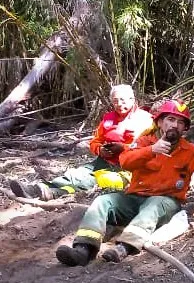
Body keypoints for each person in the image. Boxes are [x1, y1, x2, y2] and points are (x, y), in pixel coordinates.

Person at [55, 100, 194, 266]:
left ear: (184, 128)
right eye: (170, 119)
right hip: (135, 198)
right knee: (103, 202)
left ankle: (124, 247)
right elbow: (125, 160)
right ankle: (83, 249)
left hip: (166, 202)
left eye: (180, 122)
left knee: (155, 204)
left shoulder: (190, 151)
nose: (174, 125)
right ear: (159, 122)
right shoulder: (144, 142)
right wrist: (151, 150)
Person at [9, 84, 153, 200]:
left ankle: (50, 192)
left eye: (123, 100)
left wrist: (123, 147)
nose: (119, 104)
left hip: (127, 167)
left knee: (89, 180)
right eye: (115, 101)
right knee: (74, 174)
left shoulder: (144, 119)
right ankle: (39, 189)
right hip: (103, 160)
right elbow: (95, 141)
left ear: (132, 99)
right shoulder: (108, 118)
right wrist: (100, 150)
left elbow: (148, 147)